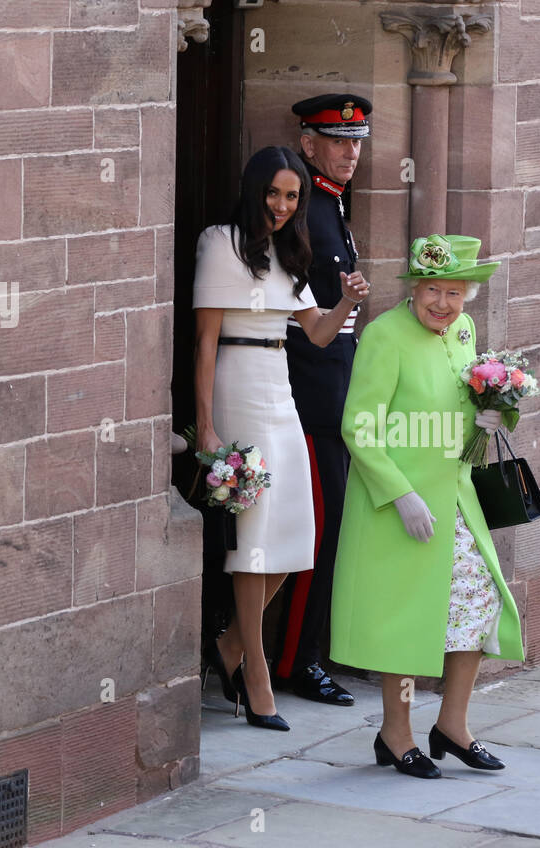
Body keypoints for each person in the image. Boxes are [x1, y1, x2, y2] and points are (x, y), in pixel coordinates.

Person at [330, 235, 524, 777]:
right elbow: (359, 429)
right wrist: (401, 494)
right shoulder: (383, 336)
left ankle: (452, 727)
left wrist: (496, 417)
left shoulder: (463, 330)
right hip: (400, 508)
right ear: (414, 288)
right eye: (432, 290)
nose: (443, 302)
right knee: (406, 620)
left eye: (454, 292)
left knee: (475, 608)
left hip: (457, 499)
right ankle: (396, 734)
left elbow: (467, 403)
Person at [193, 146, 369, 731]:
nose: (282, 205)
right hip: (237, 388)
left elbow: (317, 333)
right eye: (274, 193)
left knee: (298, 533)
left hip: (279, 385)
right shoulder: (220, 241)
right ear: (254, 189)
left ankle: (232, 649)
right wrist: (207, 424)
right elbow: (206, 342)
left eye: (292, 196)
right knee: (256, 537)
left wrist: (347, 298)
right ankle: (257, 675)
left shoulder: (289, 251)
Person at [271, 93, 374, 707]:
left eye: (356, 141)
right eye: (337, 141)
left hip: (335, 395)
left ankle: (305, 653)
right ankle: (295, 661)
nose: (349, 152)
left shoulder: (333, 208)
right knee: (316, 528)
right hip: (308, 399)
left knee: (330, 526)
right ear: (308, 143)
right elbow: (304, 321)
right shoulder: (303, 210)